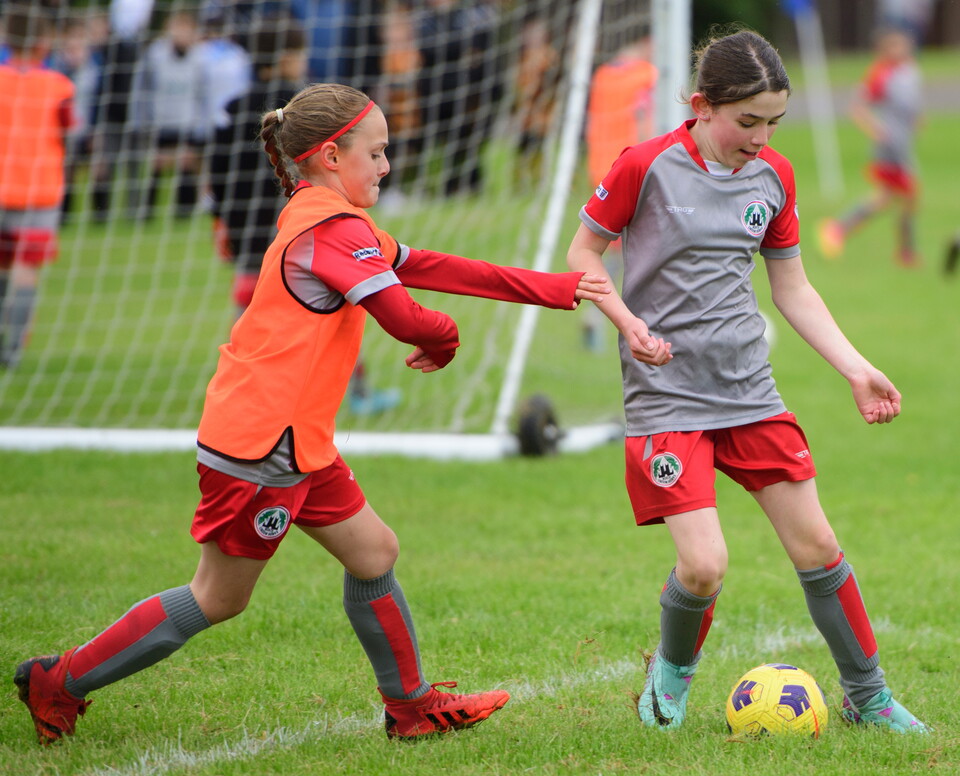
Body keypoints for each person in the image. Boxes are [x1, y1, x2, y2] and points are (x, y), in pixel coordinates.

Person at [14, 82, 611, 745]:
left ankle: (411, 708)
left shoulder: (333, 220)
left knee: (374, 551)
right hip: (261, 445)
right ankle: (59, 682)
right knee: (218, 596)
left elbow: (432, 267)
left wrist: (559, 289)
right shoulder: (328, 229)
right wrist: (441, 338)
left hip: (295, 441)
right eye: (377, 153)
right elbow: (405, 316)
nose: (387, 166)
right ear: (331, 155)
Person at [566, 29, 927, 734]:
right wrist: (627, 322)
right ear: (701, 105)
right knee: (703, 567)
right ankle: (669, 680)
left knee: (819, 547)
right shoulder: (646, 165)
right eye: (747, 121)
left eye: (774, 122)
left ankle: (868, 697)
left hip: (748, 389)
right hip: (667, 394)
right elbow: (584, 252)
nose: (761, 138)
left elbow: (792, 287)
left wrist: (856, 368)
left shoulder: (775, 177)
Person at [0, 4, 75, 368]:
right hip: (38, 189)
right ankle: (12, 350)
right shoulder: (58, 86)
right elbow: (68, 130)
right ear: (44, 40)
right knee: (25, 269)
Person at [817, 27, 922, 267]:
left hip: (903, 143)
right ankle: (905, 252)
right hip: (891, 147)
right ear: (885, 49)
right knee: (904, 196)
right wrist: (876, 129)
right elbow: (858, 107)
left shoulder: (909, 70)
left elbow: (911, 105)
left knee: (890, 198)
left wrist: (916, 119)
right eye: (896, 45)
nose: (903, 49)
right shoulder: (880, 73)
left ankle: (838, 230)